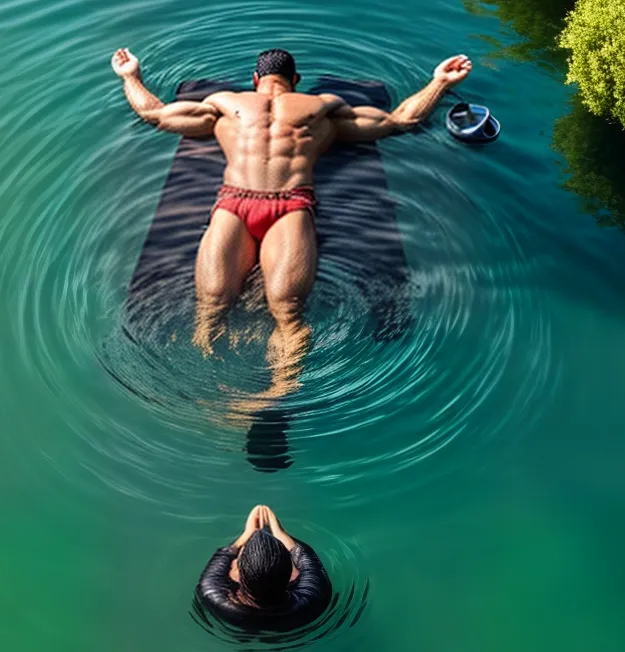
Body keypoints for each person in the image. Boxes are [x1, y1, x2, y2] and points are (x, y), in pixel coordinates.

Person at [111, 45, 472, 399]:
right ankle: (276, 394)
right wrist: (439, 83)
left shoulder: (224, 104)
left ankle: (207, 393)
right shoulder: (321, 108)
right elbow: (400, 120)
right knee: (287, 312)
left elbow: (155, 115)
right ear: (295, 80)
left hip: (234, 204)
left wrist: (131, 77)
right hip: (291, 207)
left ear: (255, 79)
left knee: (211, 308)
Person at [196, 504, 331, 631]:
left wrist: (247, 534)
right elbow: (306, 559)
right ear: (292, 575)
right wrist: (280, 532)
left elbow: (223, 556)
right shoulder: (312, 598)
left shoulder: (212, 594)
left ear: (236, 574)